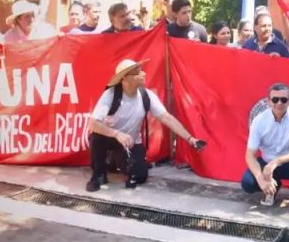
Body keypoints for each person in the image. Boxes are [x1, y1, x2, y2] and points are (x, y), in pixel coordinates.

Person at [85, 59, 205, 192]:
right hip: (110, 137)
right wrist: (117, 134)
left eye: (142, 70)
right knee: (97, 137)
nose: (143, 74)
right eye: (138, 72)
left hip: (129, 143)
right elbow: (93, 124)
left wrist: (190, 139)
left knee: (140, 176)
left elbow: (167, 118)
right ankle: (98, 174)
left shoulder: (146, 95)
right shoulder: (110, 95)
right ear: (125, 78)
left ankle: (114, 160)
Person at [241, 83, 289, 218]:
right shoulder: (259, 121)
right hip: (267, 163)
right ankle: (273, 187)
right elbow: (250, 155)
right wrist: (261, 179)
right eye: (275, 99)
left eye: (284, 100)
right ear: (268, 101)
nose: (279, 103)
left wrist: (277, 161)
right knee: (247, 184)